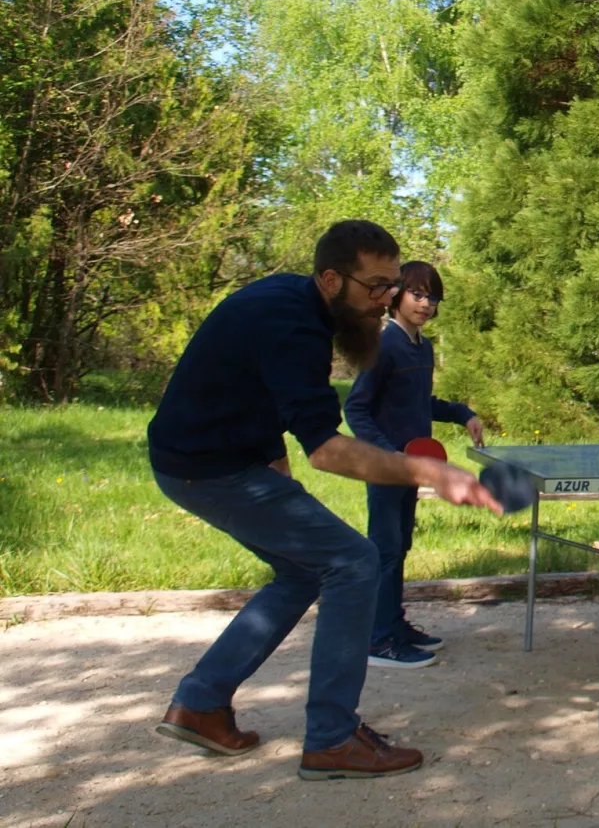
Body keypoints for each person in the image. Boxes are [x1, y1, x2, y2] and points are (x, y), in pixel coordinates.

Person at [146, 220, 502, 781]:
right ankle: (333, 739)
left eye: (392, 286)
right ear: (333, 280)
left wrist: (275, 470)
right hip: (206, 468)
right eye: (376, 286)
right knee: (355, 560)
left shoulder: (298, 306)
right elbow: (328, 450)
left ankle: (201, 702)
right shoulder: (293, 322)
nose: (384, 299)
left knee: (303, 572)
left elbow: (258, 394)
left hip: (205, 460)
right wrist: (430, 472)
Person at [344, 261, 485, 669]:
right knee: (385, 550)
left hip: (411, 467)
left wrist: (462, 413)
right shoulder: (383, 344)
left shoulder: (421, 346)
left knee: (399, 546)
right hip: (388, 466)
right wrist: (390, 455)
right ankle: (377, 640)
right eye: (418, 294)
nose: (426, 304)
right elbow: (356, 407)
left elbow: (417, 402)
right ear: (397, 295)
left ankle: (394, 625)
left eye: (433, 297)